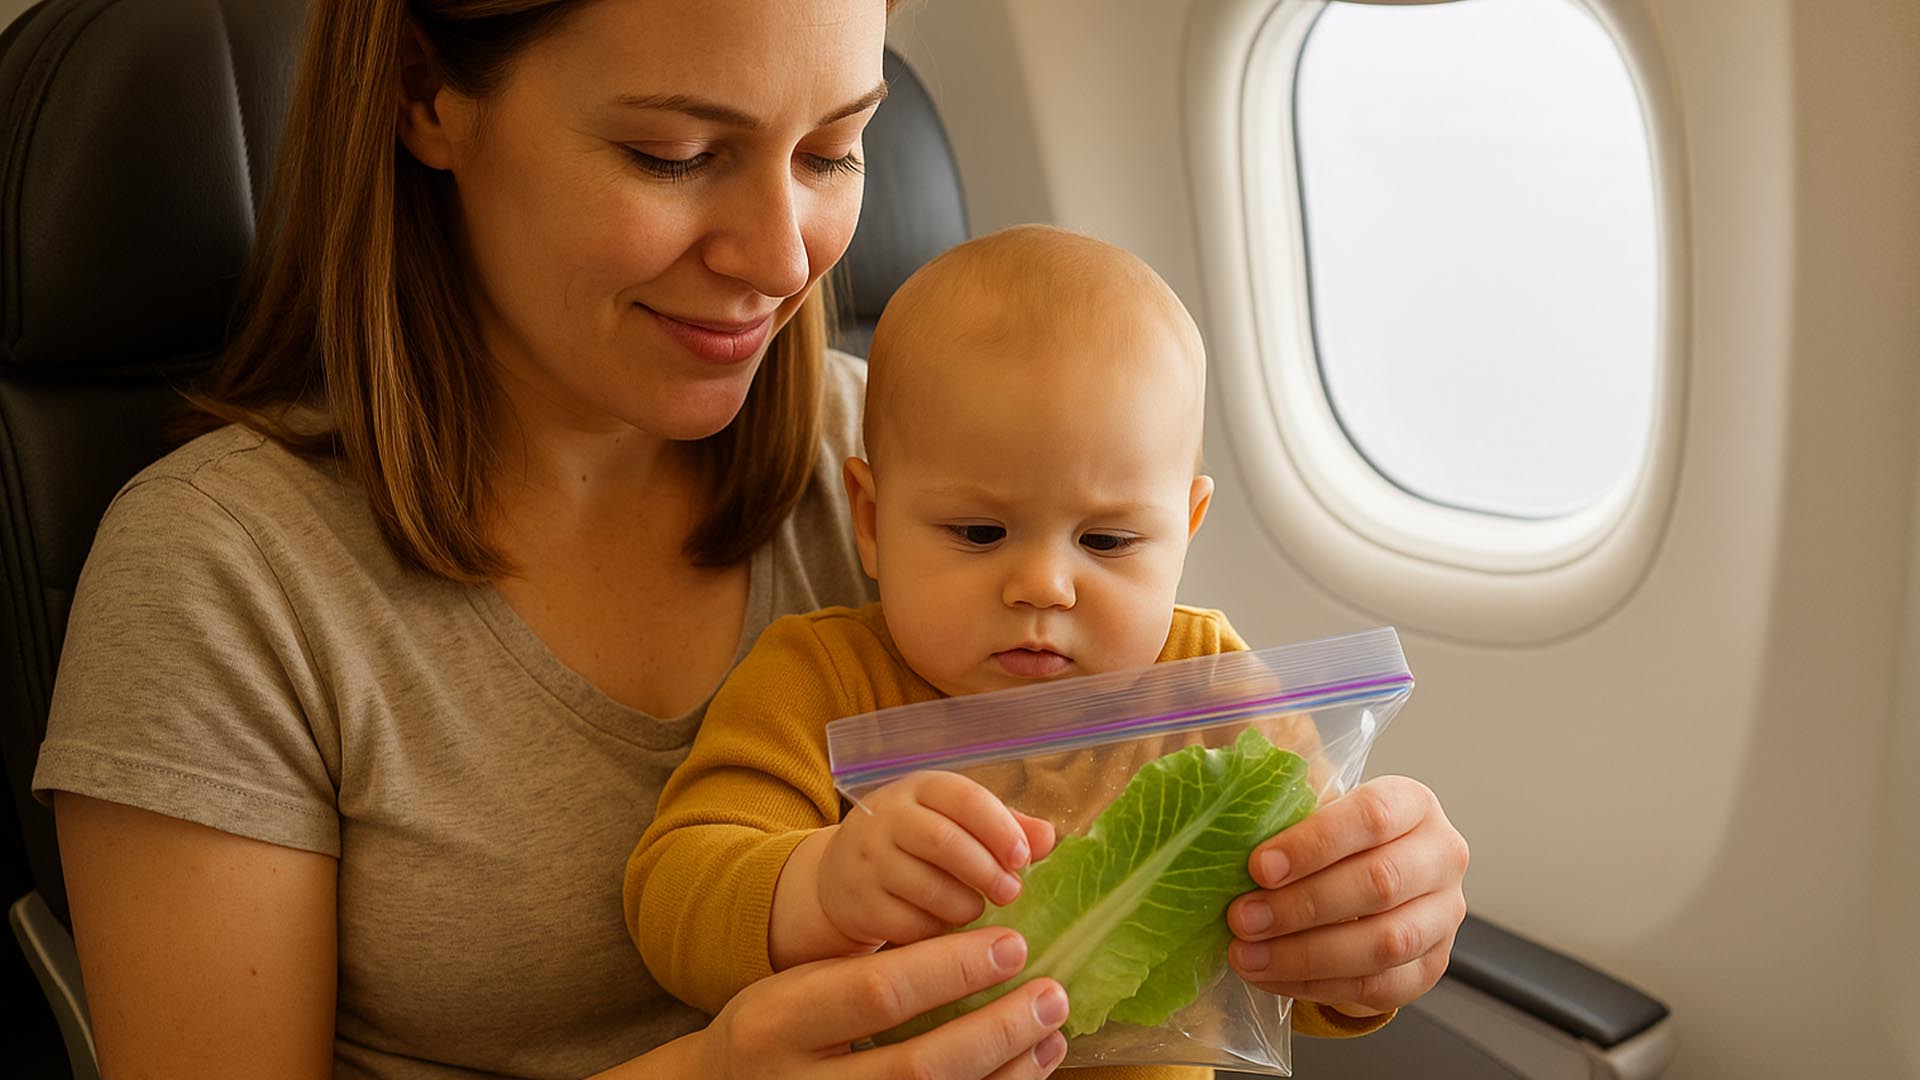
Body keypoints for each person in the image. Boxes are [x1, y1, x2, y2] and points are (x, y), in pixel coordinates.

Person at [29, 1, 1468, 1078]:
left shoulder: (936, 462)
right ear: (427, 93)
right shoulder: (227, 581)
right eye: (675, 152)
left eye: (838, 149)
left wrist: (1360, 922)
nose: (786, 261)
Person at [626, 226, 1395, 1080]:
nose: (1043, 587)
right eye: (980, 532)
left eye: (1106, 540)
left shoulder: (1207, 685)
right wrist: (814, 886)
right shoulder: (819, 679)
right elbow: (674, 896)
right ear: (872, 522)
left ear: (1186, 529)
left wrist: (1368, 949)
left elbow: (1306, 943)